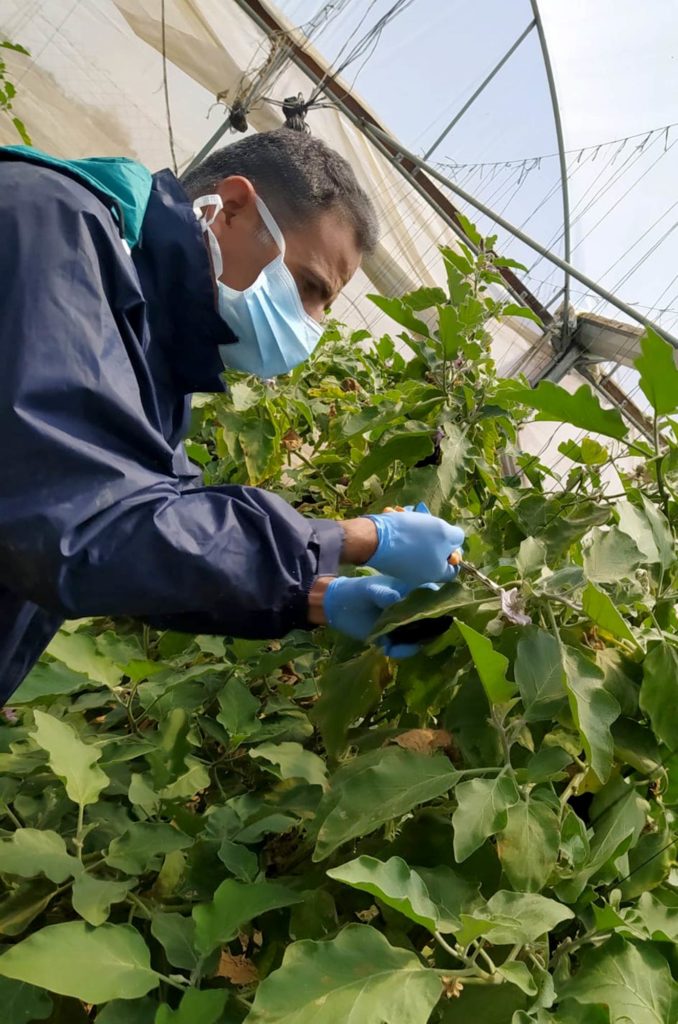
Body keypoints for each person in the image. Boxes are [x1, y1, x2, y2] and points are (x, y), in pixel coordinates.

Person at [0, 128, 464, 705]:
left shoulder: (156, 348)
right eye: (310, 287)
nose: (312, 325)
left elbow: (156, 536)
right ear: (233, 208)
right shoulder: (53, 229)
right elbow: (79, 529)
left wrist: (318, 597)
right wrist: (355, 539)